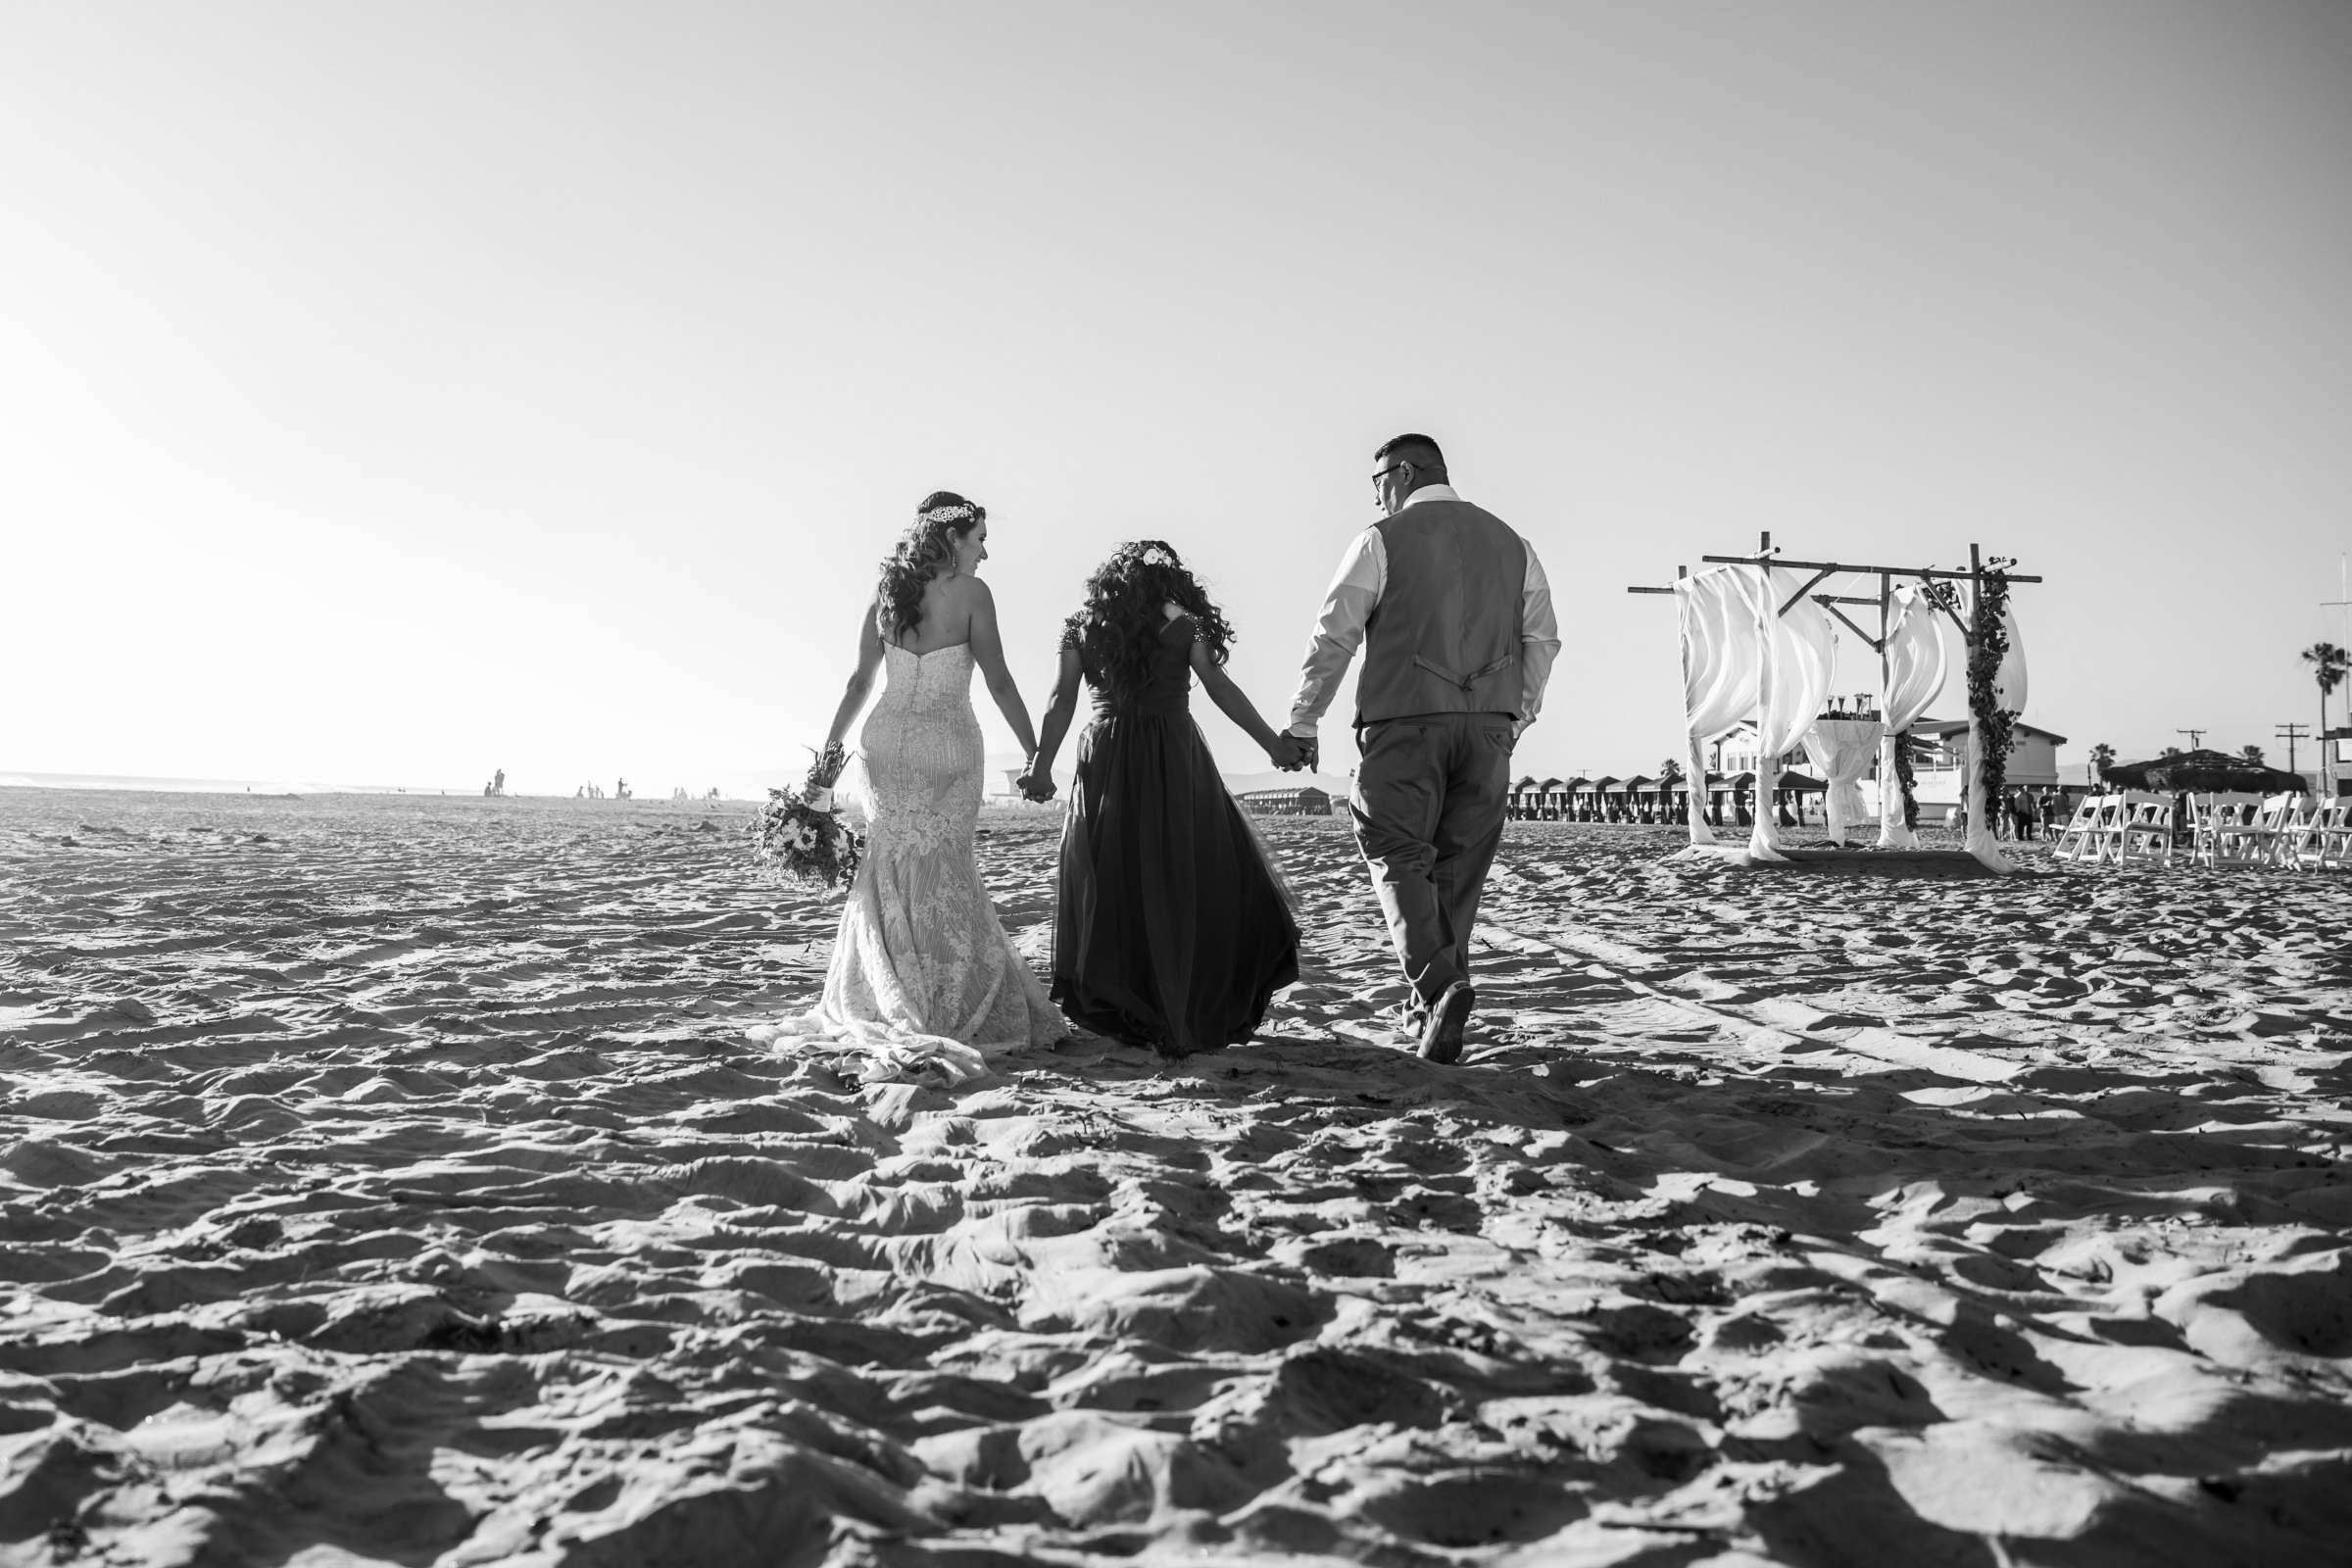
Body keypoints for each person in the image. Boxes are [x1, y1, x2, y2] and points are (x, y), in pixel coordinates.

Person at [749, 492, 1062, 1080]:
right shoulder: (973, 596)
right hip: (948, 746)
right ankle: (945, 997)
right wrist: (1033, 751)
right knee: (946, 866)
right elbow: (998, 681)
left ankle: (883, 989)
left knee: (888, 865)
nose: (986, 553)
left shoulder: (887, 593)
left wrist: (826, 763)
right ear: (952, 539)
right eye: (980, 540)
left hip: (886, 745)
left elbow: (857, 683)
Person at [1278, 434, 1560, 1064]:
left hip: (1404, 723)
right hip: (1489, 729)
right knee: (1457, 872)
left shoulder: (1381, 540)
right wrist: (1518, 715)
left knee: (1394, 847)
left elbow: (1335, 633)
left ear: (1402, 473)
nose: (1376, 496)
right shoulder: (1515, 545)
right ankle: (1431, 1012)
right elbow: (1541, 637)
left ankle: (1438, 987)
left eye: (1377, 481)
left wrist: (1304, 718)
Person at [1025, 541, 1300, 1056]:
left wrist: (1040, 767)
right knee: (1181, 871)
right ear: (1167, 579)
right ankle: (1183, 998)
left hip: (1105, 755)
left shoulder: (1084, 623)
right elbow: (1218, 686)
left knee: (1115, 875)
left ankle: (1127, 1004)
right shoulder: (1182, 621)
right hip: (1171, 751)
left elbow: (1062, 699)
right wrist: (1273, 745)